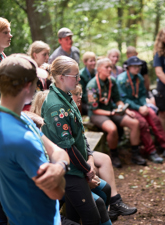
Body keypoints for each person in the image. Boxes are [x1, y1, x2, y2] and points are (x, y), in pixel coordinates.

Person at [0, 54, 69, 225]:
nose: (38, 86)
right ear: (28, 86)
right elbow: (56, 192)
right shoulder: (21, 140)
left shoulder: (2, 114)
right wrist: (62, 167)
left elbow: (55, 150)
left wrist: (60, 165)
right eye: (36, 82)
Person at [41, 56, 108, 225]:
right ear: (61, 77)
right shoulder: (56, 106)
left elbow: (79, 133)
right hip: (70, 172)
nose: (79, 79)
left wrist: (88, 160)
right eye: (75, 76)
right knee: (92, 218)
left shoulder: (66, 96)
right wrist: (87, 169)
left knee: (73, 216)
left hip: (76, 168)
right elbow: (67, 148)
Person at [70, 85, 137, 219]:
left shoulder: (74, 109)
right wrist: (88, 161)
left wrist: (89, 155)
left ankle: (115, 202)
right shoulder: (64, 112)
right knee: (94, 168)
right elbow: (68, 145)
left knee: (105, 159)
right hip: (71, 155)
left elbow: (83, 138)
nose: (80, 97)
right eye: (76, 93)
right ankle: (101, 212)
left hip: (82, 151)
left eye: (80, 93)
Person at [117, 56, 165, 162]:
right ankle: (151, 151)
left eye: (138, 67)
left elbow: (142, 95)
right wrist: (139, 107)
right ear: (128, 67)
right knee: (142, 123)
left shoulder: (139, 78)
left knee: (155, 119)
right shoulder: (121, 80)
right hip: (130, 108)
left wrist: (144, 106)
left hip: (141, 106)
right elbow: (124, 99)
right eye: (134, 67)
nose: (137, 69)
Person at [86, 58, 146, 168]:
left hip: (112, 110)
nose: (110, 69)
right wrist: (110, 113)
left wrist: (125, 110)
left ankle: (135, 154)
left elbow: (118, 100)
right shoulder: (92, 85)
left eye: (111, 67)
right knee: (112, 129)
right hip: (97, 114)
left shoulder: (112, 81)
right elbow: (94, 109)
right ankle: (114, 155)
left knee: (135, 123)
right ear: (99, 69)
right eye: (107, 67)